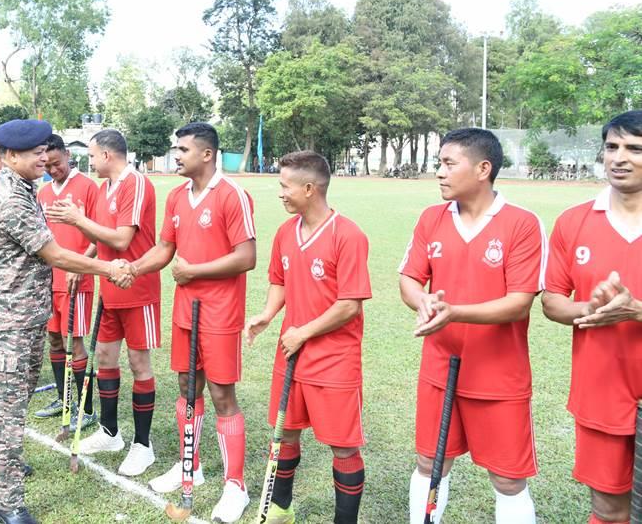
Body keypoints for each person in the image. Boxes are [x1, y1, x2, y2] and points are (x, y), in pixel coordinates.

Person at [0, 119, 133, 524]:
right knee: (10, 411)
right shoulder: (11, 196)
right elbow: (56, 255)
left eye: (45, 151)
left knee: (22, 389)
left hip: (26, 313)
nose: (43, 158)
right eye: (34, 153)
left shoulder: (27, 188)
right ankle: (7, 502)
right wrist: (108, 268)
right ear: (11, 157)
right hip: (8, 318)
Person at [398, 128, 545, 524]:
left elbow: (518, 303)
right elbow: (409, 279)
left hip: (499, 377)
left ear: (483, 168)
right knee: (430, 462)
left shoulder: (522, 224)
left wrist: (455, 312)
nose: (439, 173)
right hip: (439, 370)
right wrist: (422, 300)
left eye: (448, 164)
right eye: (439, 164)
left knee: (509, 479)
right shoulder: (431, 218)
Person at [129, 122, 257, 524]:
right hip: (186, 311)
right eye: (175, 148)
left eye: (183, 149)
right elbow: (165, 249)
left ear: (207, 154)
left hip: (220, 314)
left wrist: (195, 272)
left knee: (222, 396)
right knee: (187, 387)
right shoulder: (177, 196)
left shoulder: (232, 195)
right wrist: (130, 268)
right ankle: (192, 467)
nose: (176, 155)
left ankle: (236, 486)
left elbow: (246, 256)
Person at [244, 151, 371, 524]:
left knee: (344, 448)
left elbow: (350, 304)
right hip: (291, 352)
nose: (280, 192)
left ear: (309, 188)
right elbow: (280, 281)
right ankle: (281, 508)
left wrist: (304, 332)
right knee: (285, 434)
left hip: (333, 359)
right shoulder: (286, 232)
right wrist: (268, 316)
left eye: (285, 185)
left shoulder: (348, 235)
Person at [542, 110, 642, 524]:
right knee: (608, 509)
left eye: (635, 149)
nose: (620, 157)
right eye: (612, 147)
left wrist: (637, 310)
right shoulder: (573, 221)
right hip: (601, 391)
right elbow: (551, 301)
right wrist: (591, 308)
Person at [46, 128, 161, 477]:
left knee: (140, 366)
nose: (90, 161)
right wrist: (86, 261)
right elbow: (101, 236)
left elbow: (123, 239)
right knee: (106, 359)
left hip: (136, 290)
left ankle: (143, 446)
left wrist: (78, 220)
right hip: (109, 290)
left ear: (108, 156)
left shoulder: (135, 183)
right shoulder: (105, 187)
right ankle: (111, 432)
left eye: (93, 155)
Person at [34, 135, 99, 431]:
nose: (53, 169)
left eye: (57, 163)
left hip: (76, 280)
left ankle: (85, 409)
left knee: (75, 340)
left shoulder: (87, 187)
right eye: (47, 165)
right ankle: (63, 399)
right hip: (49, 280)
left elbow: (100, 234)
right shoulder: (43, 191)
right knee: (55, 339)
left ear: (68, 156)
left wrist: (80, 265)